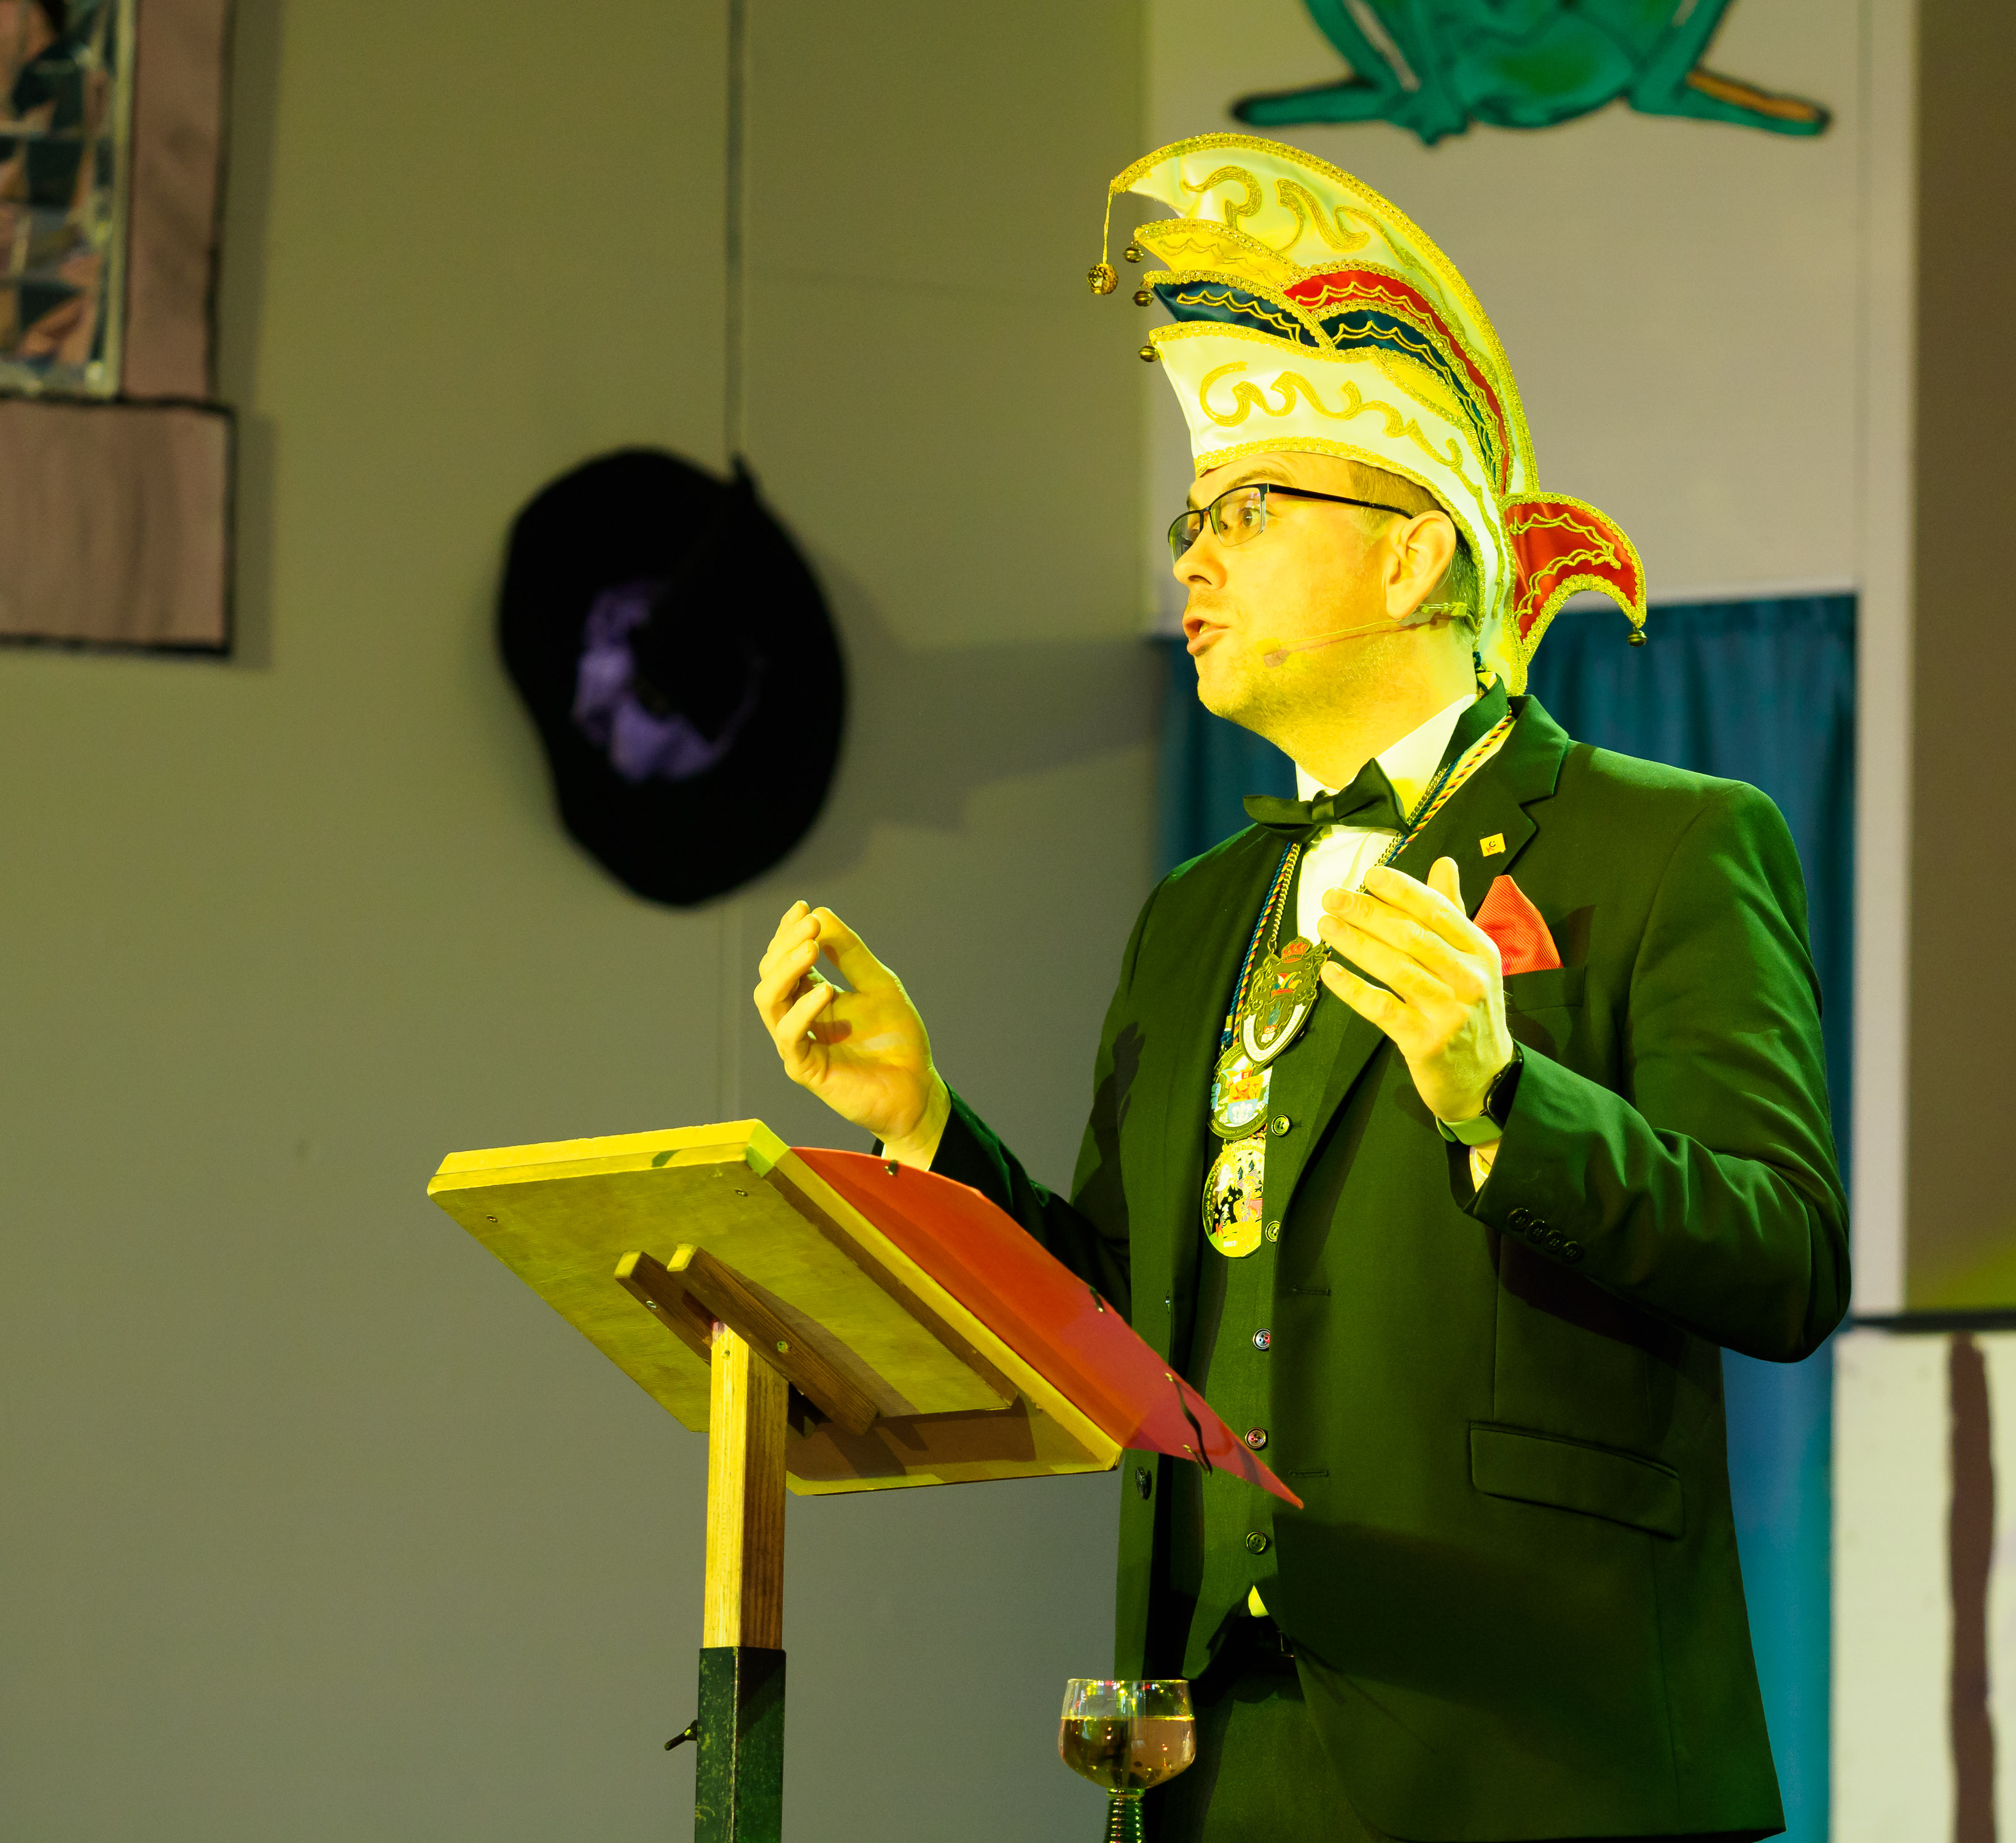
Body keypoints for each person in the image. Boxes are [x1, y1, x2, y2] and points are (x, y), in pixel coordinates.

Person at [752, 135, 1846, 1843]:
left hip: (1531, 1749)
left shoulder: (1667, 844)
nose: (1193, 562)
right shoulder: (1196, 914)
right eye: (1190, 522)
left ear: (1415, 559)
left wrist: (1506, 1102)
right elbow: (1116, 1323)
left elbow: (1786, 1257)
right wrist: (924, 1125)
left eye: (1249, 515)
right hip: (1216, 1751)